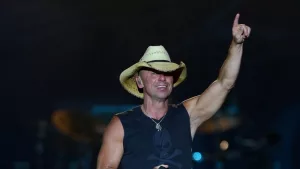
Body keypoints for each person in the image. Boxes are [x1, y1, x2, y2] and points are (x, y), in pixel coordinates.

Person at [97, 13, 251, 169]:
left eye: (167, 72)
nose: (162, 78)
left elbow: (225, 83)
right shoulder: (122, 124)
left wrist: (237, 44)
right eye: (155, 73)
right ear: (139, 81)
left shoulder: (187, 115)